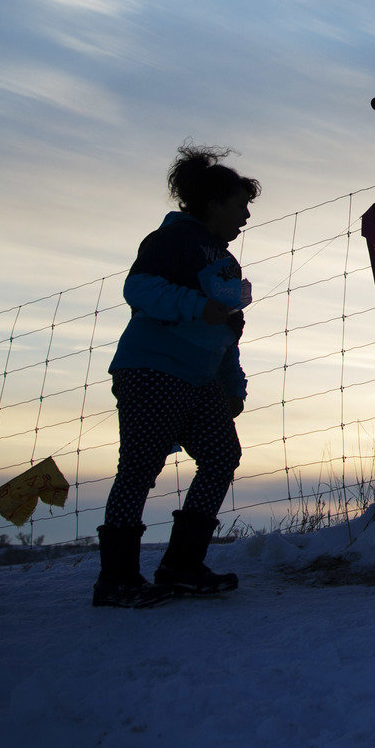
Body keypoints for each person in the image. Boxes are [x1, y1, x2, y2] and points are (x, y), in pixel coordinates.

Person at [93, 145, 256, 609]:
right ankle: (117, 579)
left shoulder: (226, 262)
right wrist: (196, 306)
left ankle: (182, 565)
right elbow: (139, 289)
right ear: (213, 204)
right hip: (152, 369)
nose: (246, 216)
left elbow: (227, 329)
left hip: (200, 380)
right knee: (140, 469)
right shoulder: (173, 241)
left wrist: (231, 387)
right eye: (240, 205)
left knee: (222, 456)